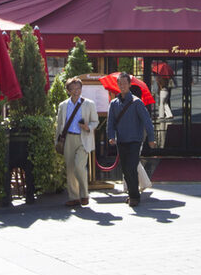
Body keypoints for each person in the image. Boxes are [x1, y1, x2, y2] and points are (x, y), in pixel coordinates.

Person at [106, 72, 156, 207]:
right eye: (120, 83)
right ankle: (133, 193)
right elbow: (110, 122)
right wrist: (111, 136)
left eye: (124, 83)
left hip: (135, 140)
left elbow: (147, 121)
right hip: (121, 140)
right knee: (125, 169)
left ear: (129, 84)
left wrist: (151, 138)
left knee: (132, 167)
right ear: (117, 85)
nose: (122, 85)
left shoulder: (136, 102)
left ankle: (134, 196)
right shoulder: (114, 103)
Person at [56, 76, 99, 207]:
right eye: (73, 89)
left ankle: (84, 195)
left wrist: (88, 127)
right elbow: (59, 125)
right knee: (70, 169)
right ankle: (74, 197)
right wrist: (57, 141)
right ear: (68, 90)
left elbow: (95, 121)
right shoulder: (63, 105)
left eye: (78, 88)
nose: (76, 91)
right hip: (68, 138)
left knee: (79, 167)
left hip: (83, 138)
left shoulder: (89, 104)